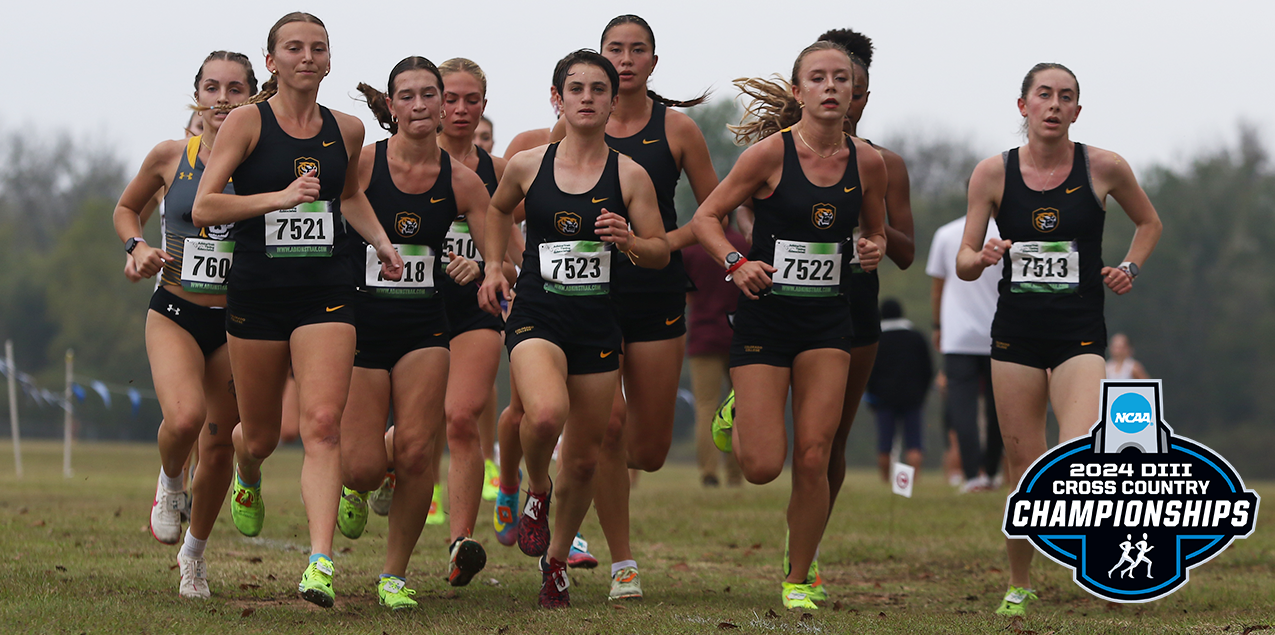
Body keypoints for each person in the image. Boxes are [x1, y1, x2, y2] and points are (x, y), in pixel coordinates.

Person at [192, 12, 405, 609]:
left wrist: (383, 244)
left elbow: (351, 195)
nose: (306, 57)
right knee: (258, 435)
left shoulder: (348, 128)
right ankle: (249, 475)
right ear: (272, 61)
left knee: (320, 426)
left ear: (330, 61)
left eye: (318, 49)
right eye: (293, 48)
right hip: (258, 295)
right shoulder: (245, 123)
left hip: (327, 293)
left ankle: (319, 564)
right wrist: (279, 198)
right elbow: (206, 207)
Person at [957, 62, 1162, 617]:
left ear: (1077, 110)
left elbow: (1149, 224)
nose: (1054, 104)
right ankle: (1019, 583)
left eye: (1065, 97)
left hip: (1079, 335)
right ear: (1023, 107)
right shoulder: (991, 175)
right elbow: (964, 261)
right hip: (1016, 337)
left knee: (1073, 459)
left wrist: (1130, 269)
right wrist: (985, 255)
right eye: (1043, 95)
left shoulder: (1105, 167)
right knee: (1024, 470)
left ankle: (1107, 557)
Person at [692, 40, 888, 610]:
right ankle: (737, 409)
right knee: (760, 467)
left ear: (854, 94)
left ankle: (798, 577)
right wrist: (737, 262)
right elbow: (707, 217)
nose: (831, 88)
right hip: (766, 320)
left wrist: (870, 250)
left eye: (841, 80)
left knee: (815, 454)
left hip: (830, 320)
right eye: (819, 79)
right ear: (799, 92)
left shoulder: (867, 162)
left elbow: (871, 234)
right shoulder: (768, 157)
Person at [478, 49, 669, 609]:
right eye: (576, 88)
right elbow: (497, 212)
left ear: (614, 102)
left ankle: (555, 563)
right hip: (538, 311)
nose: (587, 97)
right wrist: (494, 265)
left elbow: (660, 251)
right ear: (557, 98)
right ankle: (538, 486)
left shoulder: (630, 175)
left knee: (585, 459)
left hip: (596, 321)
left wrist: (631, 242)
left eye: (598, 89)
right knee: (542, 412)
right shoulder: (528, 163)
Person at [546, 14, 721, 601]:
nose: (624, 60)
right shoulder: (567, 128)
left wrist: (653, 245)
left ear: (652, 62)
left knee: (647, 449)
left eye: (636, 50)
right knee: (607, 427)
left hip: (655, 292)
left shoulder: (678, 131)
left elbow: (710, 213)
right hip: (584, 297)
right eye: (613, 51)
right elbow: (527, 200)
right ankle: (622, 561)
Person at [333, 57, 489, 609]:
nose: (421, 106)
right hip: (359, 324)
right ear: (392, 106)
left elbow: (498, 256)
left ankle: (393, 575)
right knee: (361, 464)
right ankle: (358, 485)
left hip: (426, 328)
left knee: (420, 451)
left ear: (445, 104)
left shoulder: (463, 181)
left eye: (431, 95)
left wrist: (484, 270)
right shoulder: (362, 165)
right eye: (408, 96)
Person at [113, 51, 257, 599]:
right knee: (185, 418)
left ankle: (193, 556)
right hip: (175, 309)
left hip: (238, 321)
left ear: (254, 96)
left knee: (220, 445)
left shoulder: (265, 165)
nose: (223, 99)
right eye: (213, 88)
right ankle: (171, 481)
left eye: (236, 89)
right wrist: (138, 246)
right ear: (197, 94)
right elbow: (126, 210)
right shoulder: (172, 156)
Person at [927, 213, 1003, 492]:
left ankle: (972, 475)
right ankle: (992, 470)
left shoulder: (946, 233)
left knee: (962, 408)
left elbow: (938, 288)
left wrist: (938, 325)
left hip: (958, 335)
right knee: (1001, 408)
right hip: (1001, 333)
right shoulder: (1011, 232)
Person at [682, 215, 745, 487]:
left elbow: (687, 295)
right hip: (739, 333)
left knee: (706, 405)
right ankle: (736, 474)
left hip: (703, 335)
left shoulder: (693, 249)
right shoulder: (743, 244)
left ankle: (709, 471)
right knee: (740, 405)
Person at [864, 299, 932, 481]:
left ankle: (886, 481)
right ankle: (913, 482)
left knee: (885, 444)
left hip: (883, 398)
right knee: (914, 443)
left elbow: (869, 372)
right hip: (912, 397)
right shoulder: (917, 337)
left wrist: (870, 396)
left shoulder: (877, 339)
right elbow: (928, 370)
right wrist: (922, 394)